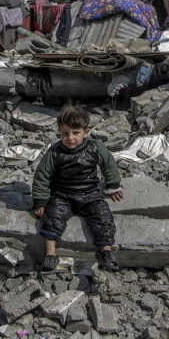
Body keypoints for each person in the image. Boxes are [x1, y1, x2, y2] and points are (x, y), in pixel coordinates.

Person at [31, 103, 124, 271]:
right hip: (62, 195)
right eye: (65, 133)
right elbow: (42, 175)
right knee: (52, 218)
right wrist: (40, 201)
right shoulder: (55, 152)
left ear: (86, 132)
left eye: (76, 133)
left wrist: (113, 185)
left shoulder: (95, 147)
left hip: (90, 194)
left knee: (103, 217)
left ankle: (106, 252)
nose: (70, 138)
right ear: (59, 132)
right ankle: (50, 254)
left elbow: (109, 164)